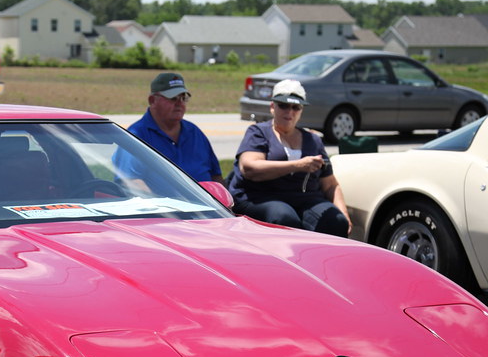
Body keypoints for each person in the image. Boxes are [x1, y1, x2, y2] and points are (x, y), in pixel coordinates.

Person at [227, 79, 351, 237]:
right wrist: (298, 165)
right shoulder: (258, 132)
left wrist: (344, 213)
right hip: (261, 196)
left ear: (301, 110)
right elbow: (249, 168)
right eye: (283, 105)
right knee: (284, 218)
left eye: (296, 107)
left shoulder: (313, 140)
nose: (289, 111)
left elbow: (330, 185)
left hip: (305, 198)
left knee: (336, 221)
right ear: (272, 107)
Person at [116, 72, 222, 184]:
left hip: (205, 201)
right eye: (172, 98)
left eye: (183, 98)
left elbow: (216, 176)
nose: (179, 103)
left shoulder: (194, 132)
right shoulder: (136, 136)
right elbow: (130, 181)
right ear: (152, 101)